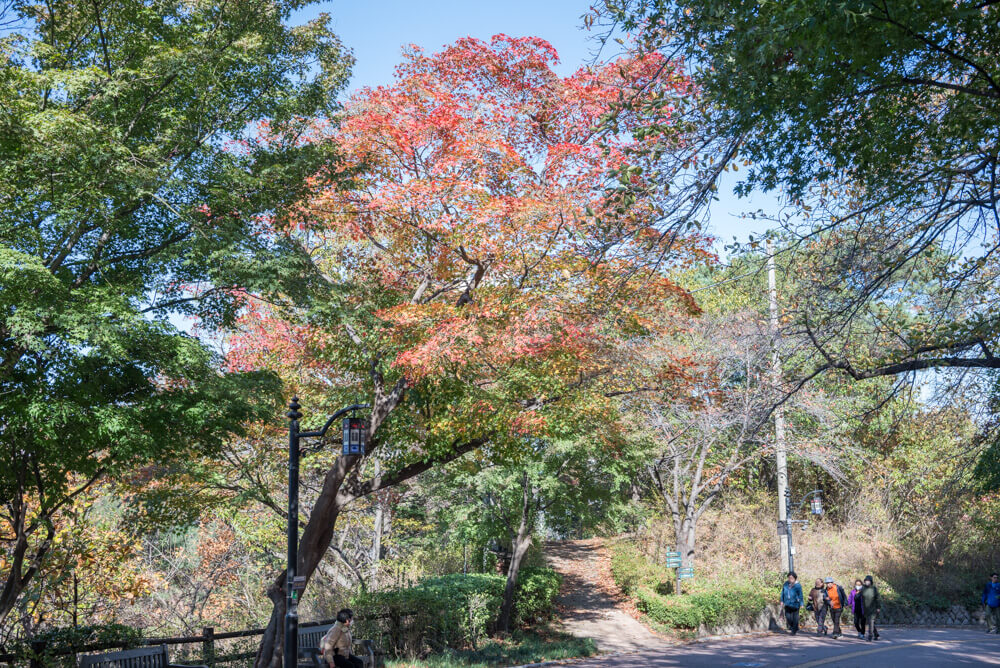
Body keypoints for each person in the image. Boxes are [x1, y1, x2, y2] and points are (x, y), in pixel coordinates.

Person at [860, 575, 881, 642]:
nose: (867, 582)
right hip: (866, 609)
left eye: (868, 581)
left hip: (873, 608)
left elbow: (878, 599)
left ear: (871, 581)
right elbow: (859, 597)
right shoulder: (862, 588)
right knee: (870, 622)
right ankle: (876, 634)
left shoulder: (874, 589)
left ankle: (870, 636)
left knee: (871, 621)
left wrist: (878, 607)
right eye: (866, 581)